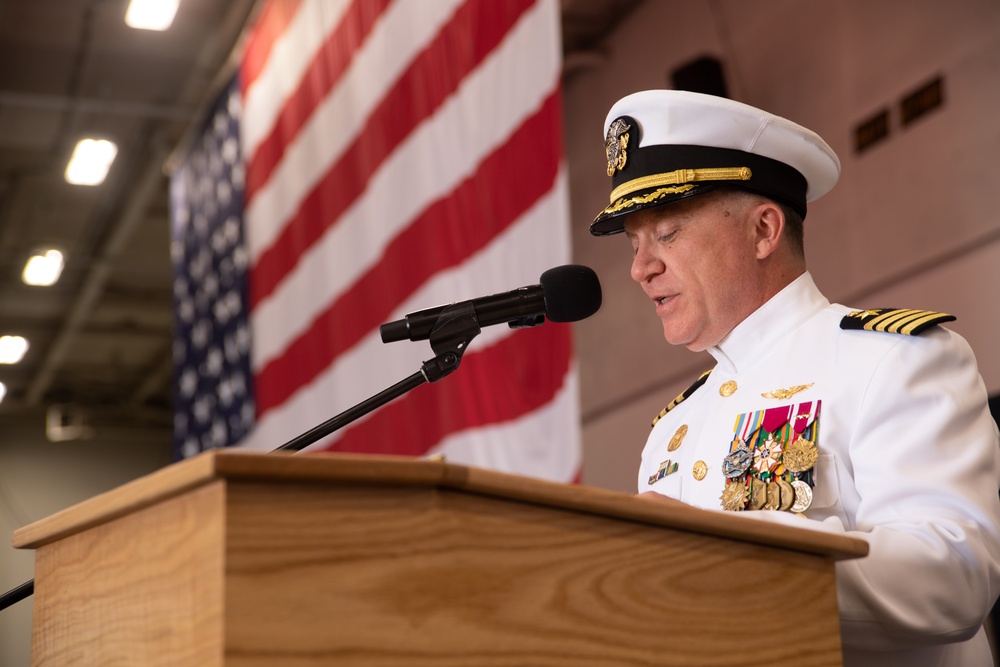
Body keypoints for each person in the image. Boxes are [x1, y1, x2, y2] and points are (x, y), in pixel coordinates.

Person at [590, 89, 1000, 665]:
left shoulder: (895, 360)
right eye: (634, 244)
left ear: (764, 230)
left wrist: (722, 557)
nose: (640, 268)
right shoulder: (672, 432)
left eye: (669, 233)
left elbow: (955, 576)